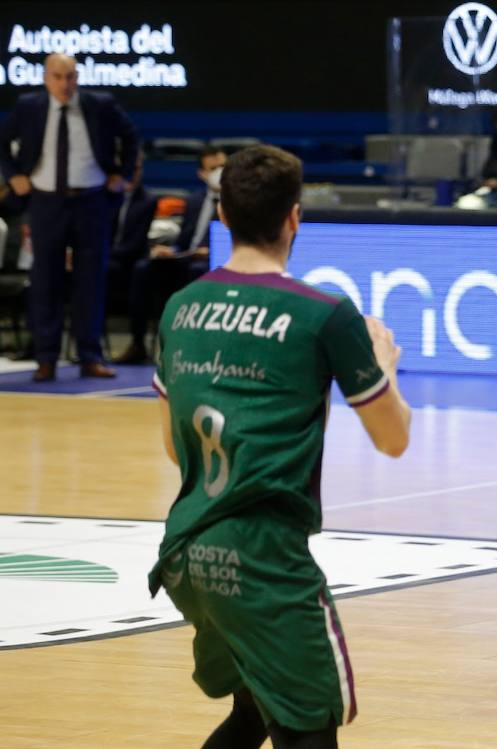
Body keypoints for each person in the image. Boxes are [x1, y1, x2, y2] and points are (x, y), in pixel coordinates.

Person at [148, 145, 413, 746]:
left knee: (250, 714)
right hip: (263, 558)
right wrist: (384, 366)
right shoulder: (322, 313)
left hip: (186, 551)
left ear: (221, 213)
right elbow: (393, 439)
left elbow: (173, 447)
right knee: (309, 730)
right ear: (295, 217)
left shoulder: (180, 307)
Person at [0, 53, 138, 381]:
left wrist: (122, 173)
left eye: (71, 77)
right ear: (46, 77)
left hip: (91, 200)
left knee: (90, 279)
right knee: (45, 279)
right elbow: (2, 143)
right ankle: (45, 358)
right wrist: (13, 176)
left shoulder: (100, 104)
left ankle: (89, 356)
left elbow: (131, 137)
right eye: (59, 77)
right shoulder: (29, 106)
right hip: (46, 201)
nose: (66, 84)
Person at [115, 146, 227, 363]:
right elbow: (183, 242)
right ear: (202, 174)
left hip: (215, 263)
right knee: (143, 269)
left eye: (223, 167)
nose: (220, 172)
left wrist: (214, 251)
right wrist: (170, 250)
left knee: (197, 271)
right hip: (186, 259)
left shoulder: (237, 202)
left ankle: (196, 348)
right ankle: (138, 343)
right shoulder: (194, 201)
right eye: (213, 168)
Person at [105, 152, 159, 327]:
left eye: (136, 168)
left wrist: (99, 254)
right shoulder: (104, 197)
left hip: (131, 259)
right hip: (107, 257)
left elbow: (134, 245)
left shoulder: (148, 200)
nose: (132, 172)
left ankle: (138, 341)